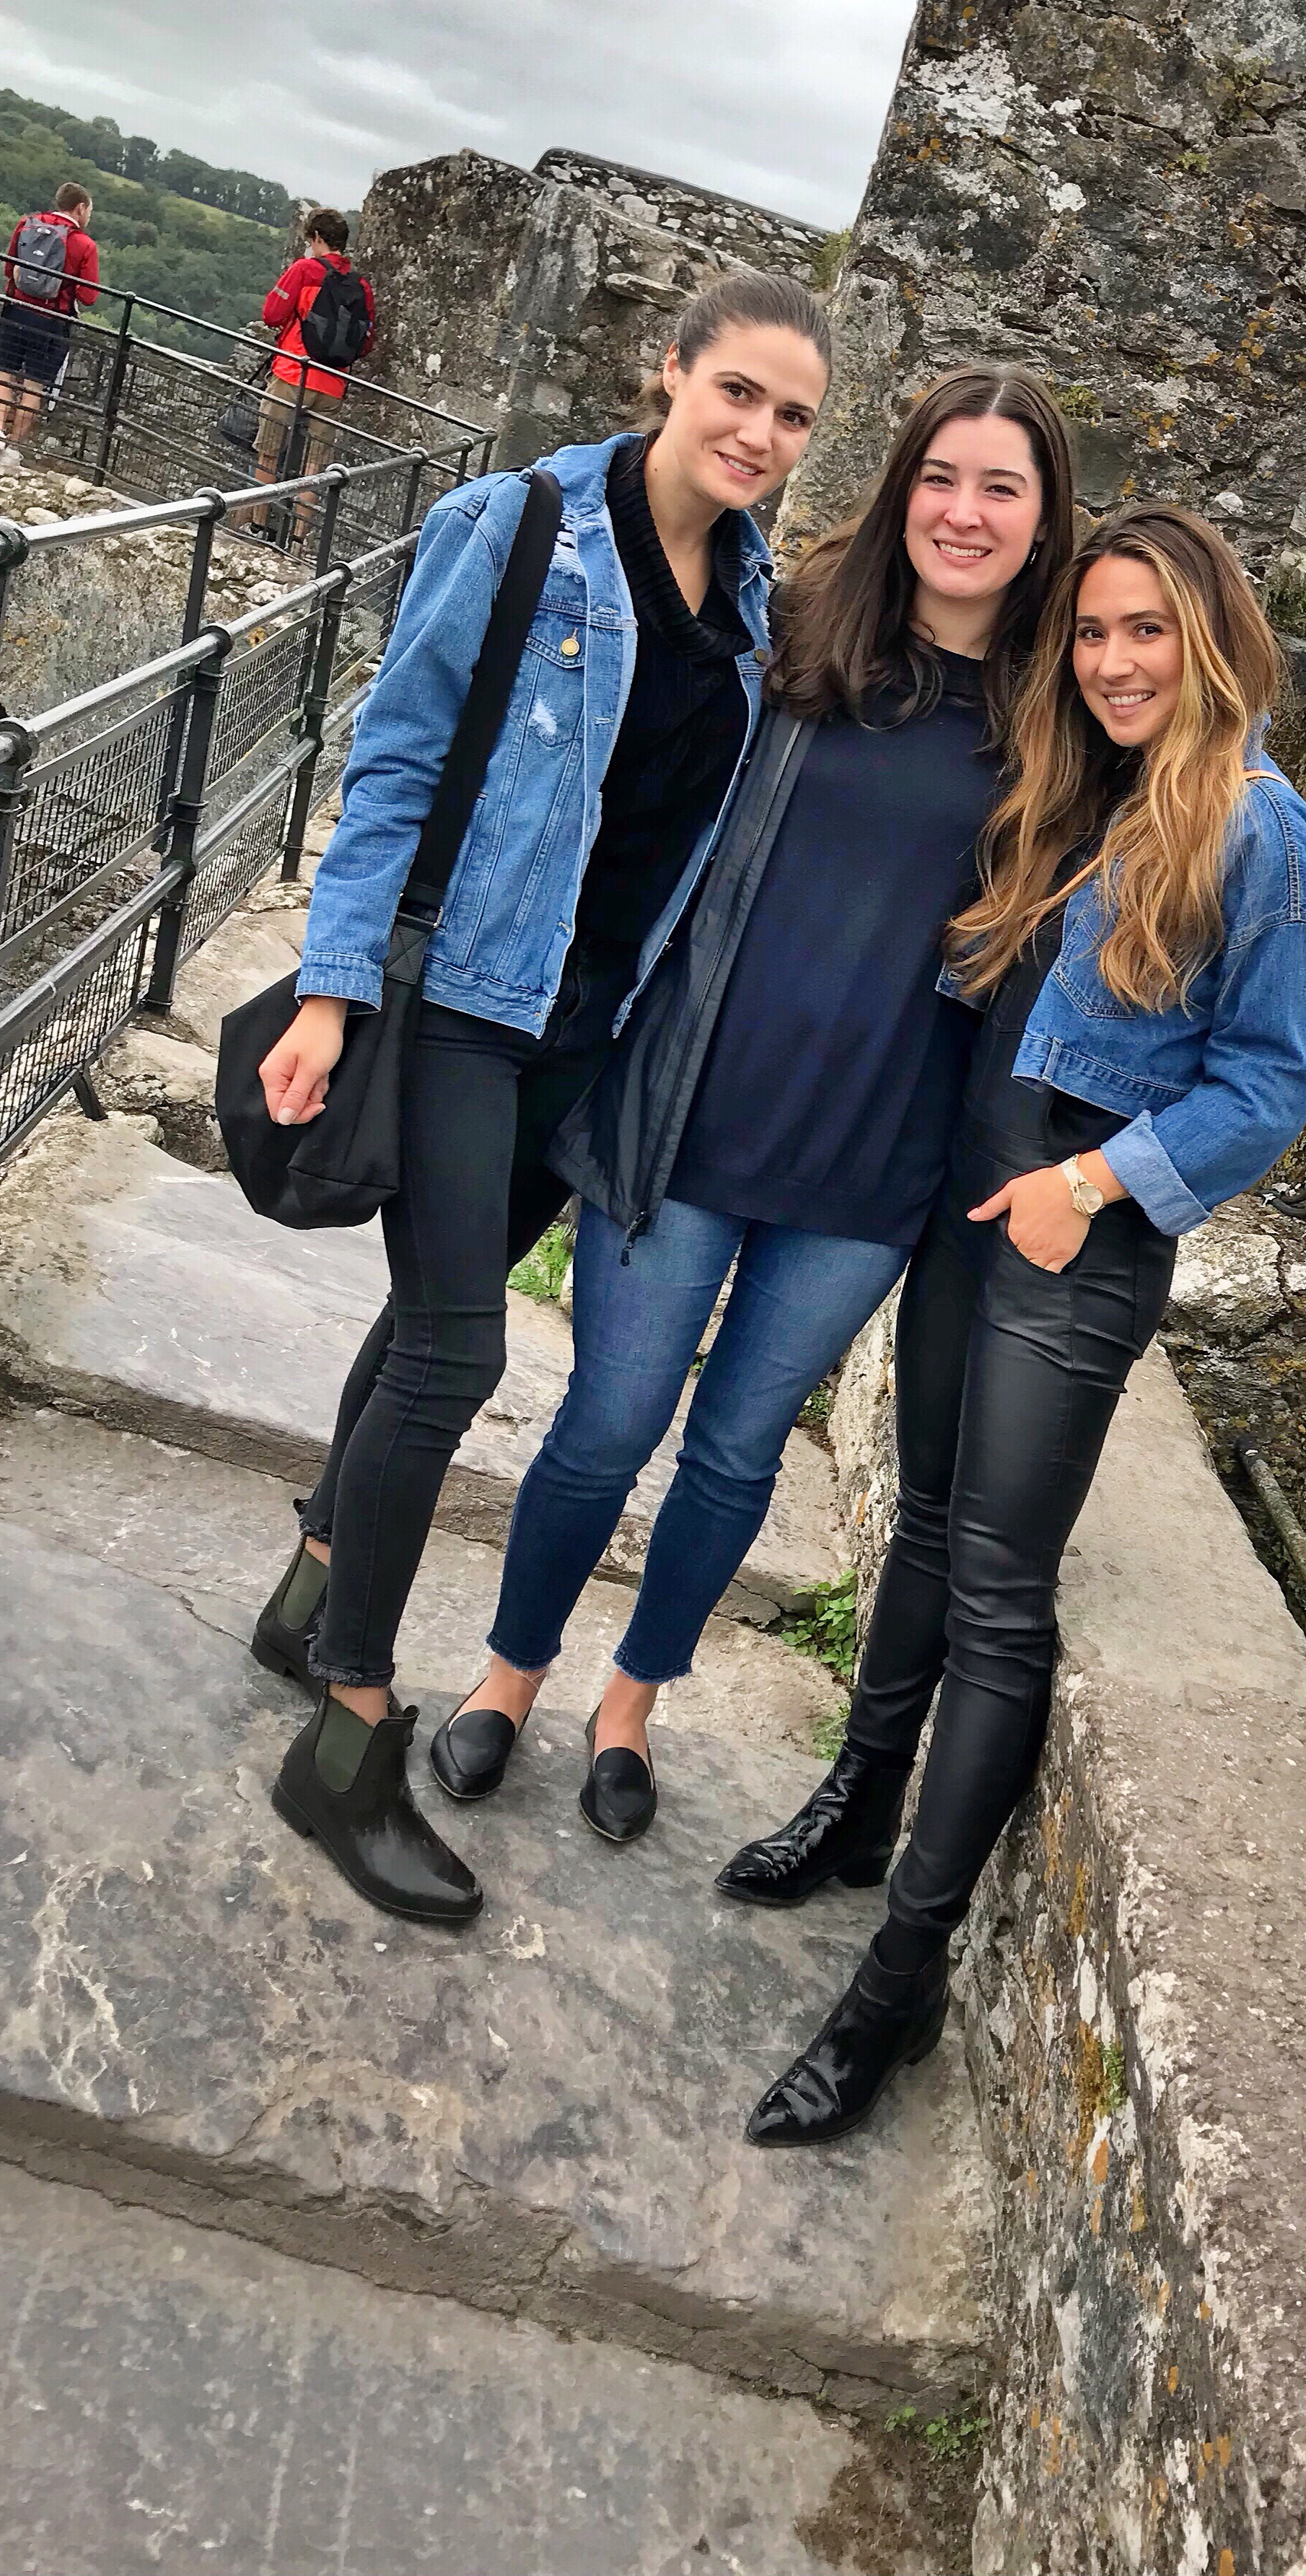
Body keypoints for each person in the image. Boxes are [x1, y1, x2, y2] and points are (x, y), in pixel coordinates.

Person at [728, 504, 1306, 2147]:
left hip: (1073, 1238)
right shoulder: (1078, 789)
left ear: (1214, 640)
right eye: (1091, 634)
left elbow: (1278, 1082)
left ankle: (901, 1981)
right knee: (928, 1525)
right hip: (970, 1194)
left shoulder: (1267, 837)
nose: (1115, 660)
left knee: (1003, 1599)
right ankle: (861, 1805)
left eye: (1147, 631)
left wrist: (1100, 1182)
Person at [247, 267, 831, 1925]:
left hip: (587, 1029)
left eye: (793, 416)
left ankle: (303, 1597)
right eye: (739, 394)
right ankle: (349, 1733)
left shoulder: (758, 607)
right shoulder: (519, 530)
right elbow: (396, 757)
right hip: (457, 1006)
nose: (760, 435)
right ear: (672, 374)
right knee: (456, 1350)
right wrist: (330, 979)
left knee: (421, 1326)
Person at [428, 370, 1079, 1850]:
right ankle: (507, 1674)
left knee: (734, 1452)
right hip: (692, 1111)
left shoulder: (1054, 723)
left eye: (1003, 490)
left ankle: (632, 1703)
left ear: (1045, 526)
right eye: (943, 477)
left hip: (873, 1155)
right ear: (903, 483)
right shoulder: (794, 632)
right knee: (607, 1422)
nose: (964, 513)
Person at [250, 206, 375, 541]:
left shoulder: (304, 269)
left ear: (317, 238)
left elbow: (272, 314)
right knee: (315, 468)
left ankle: (259, 525)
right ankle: (300, 540)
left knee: (269, 451)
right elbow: (364, 343)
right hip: (333, 384)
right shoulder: (360, 285)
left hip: (293, 373)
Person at [0, 183, 100, 464]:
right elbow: (89, 296)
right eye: (89, 210)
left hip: (16, 310)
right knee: (34, 386)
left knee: (4, 375)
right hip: (52, 320)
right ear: (80, 208)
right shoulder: (84, 244)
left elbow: (9, 268)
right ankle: (14, 450)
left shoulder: (27, 224)